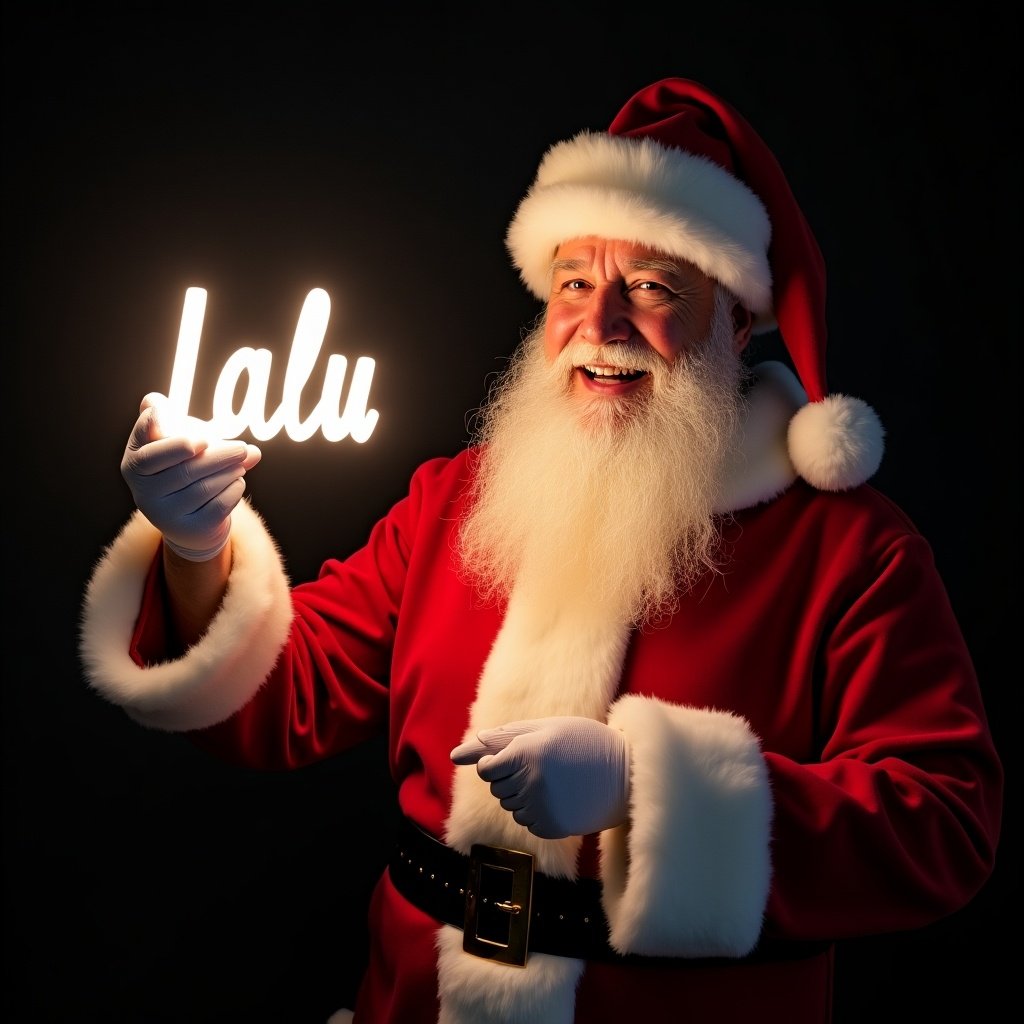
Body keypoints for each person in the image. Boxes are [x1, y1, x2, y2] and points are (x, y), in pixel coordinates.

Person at [79, 77, 1003, 1023]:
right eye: (574, 283)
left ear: (736, 318)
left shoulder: (852, 551)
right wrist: (199, 547)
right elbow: (284, 697)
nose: (599, 326)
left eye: (650, 287)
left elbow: (945, 820)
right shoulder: (456, 500)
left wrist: (642, 786)